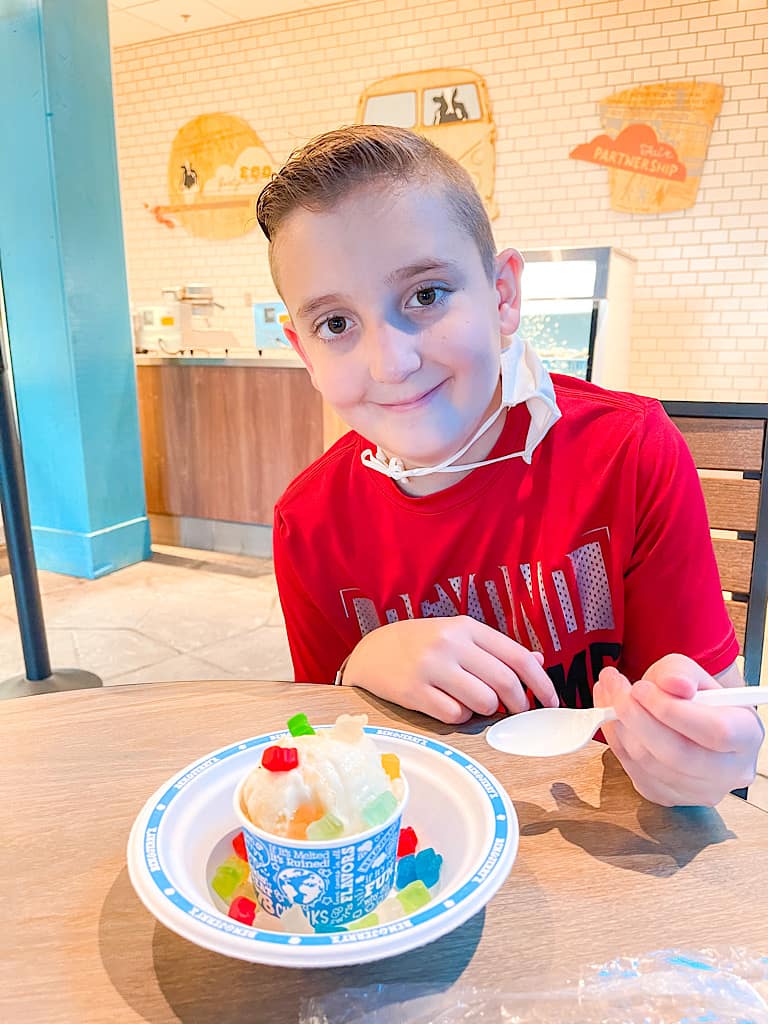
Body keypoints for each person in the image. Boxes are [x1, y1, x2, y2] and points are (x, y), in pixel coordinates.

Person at [255, 124, 763, 808]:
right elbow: (324, 751)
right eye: (336, 325)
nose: (392, 363)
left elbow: (718, 714)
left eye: (426, 295)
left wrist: (708, 753)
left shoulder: (629, 452)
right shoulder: (309, 523)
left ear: (502, 297)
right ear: (303, 349)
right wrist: (359, 664)